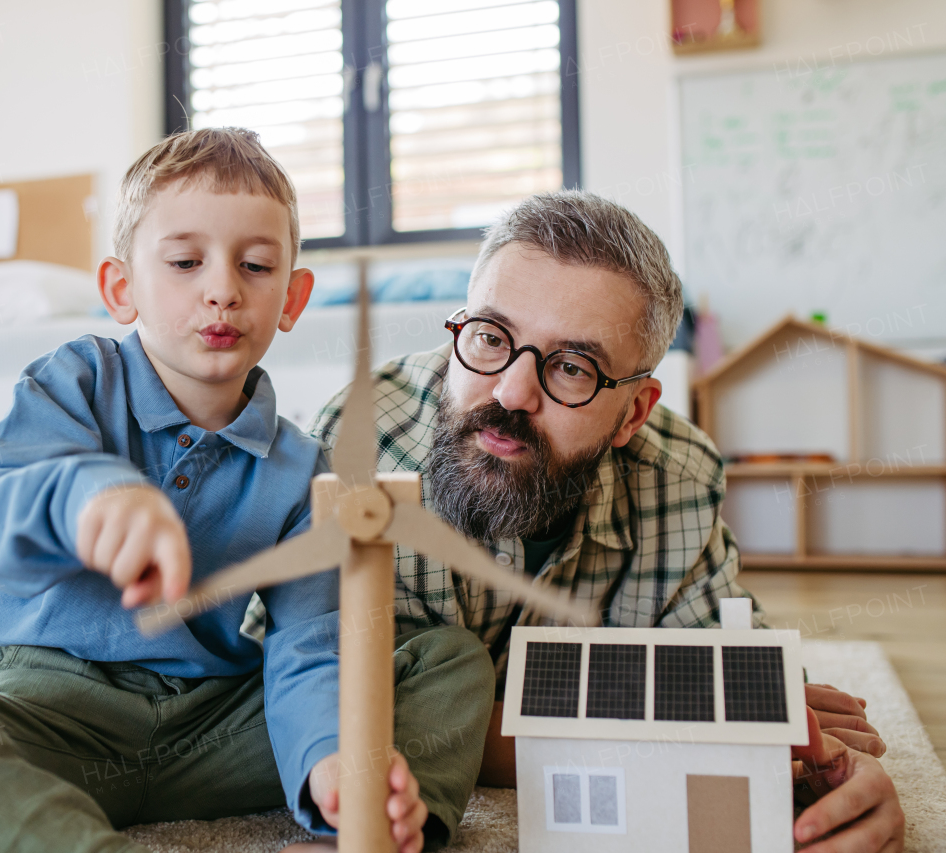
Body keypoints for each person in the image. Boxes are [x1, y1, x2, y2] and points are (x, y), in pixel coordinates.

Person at [0, 129, 497, 853]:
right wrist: (88, 497)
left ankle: (356, 836)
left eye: (255, 265)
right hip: (50, 714)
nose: (222, 288)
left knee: (446, 659)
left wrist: (329, 756)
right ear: (120, 288)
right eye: (186, 262)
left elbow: (309, 645)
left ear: (292, 297)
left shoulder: (304, 470)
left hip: (212, 731)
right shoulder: (73, 381)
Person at [310, 190, 904, 852]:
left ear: (634, 412)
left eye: (572, 366)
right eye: (490, 336)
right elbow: (336, 720)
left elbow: (727, 674)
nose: (510, 392)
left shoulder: (676, 478)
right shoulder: (360, 450)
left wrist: (801, 757)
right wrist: (679, 728)